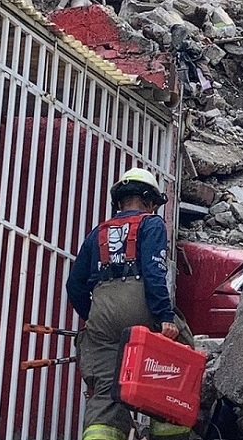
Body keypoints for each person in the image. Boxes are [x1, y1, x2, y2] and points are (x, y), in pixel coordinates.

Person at [67, 168, 192, 440]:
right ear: (150, 202)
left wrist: (92, 318)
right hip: (140, 304)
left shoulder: (97, 233)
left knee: (106, 389)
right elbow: (154, 273)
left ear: (120, 202)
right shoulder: (151, 224)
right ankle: (169, 431)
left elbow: (74, 285)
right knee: (177, 355)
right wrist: (164, 317)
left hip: (102, 312)